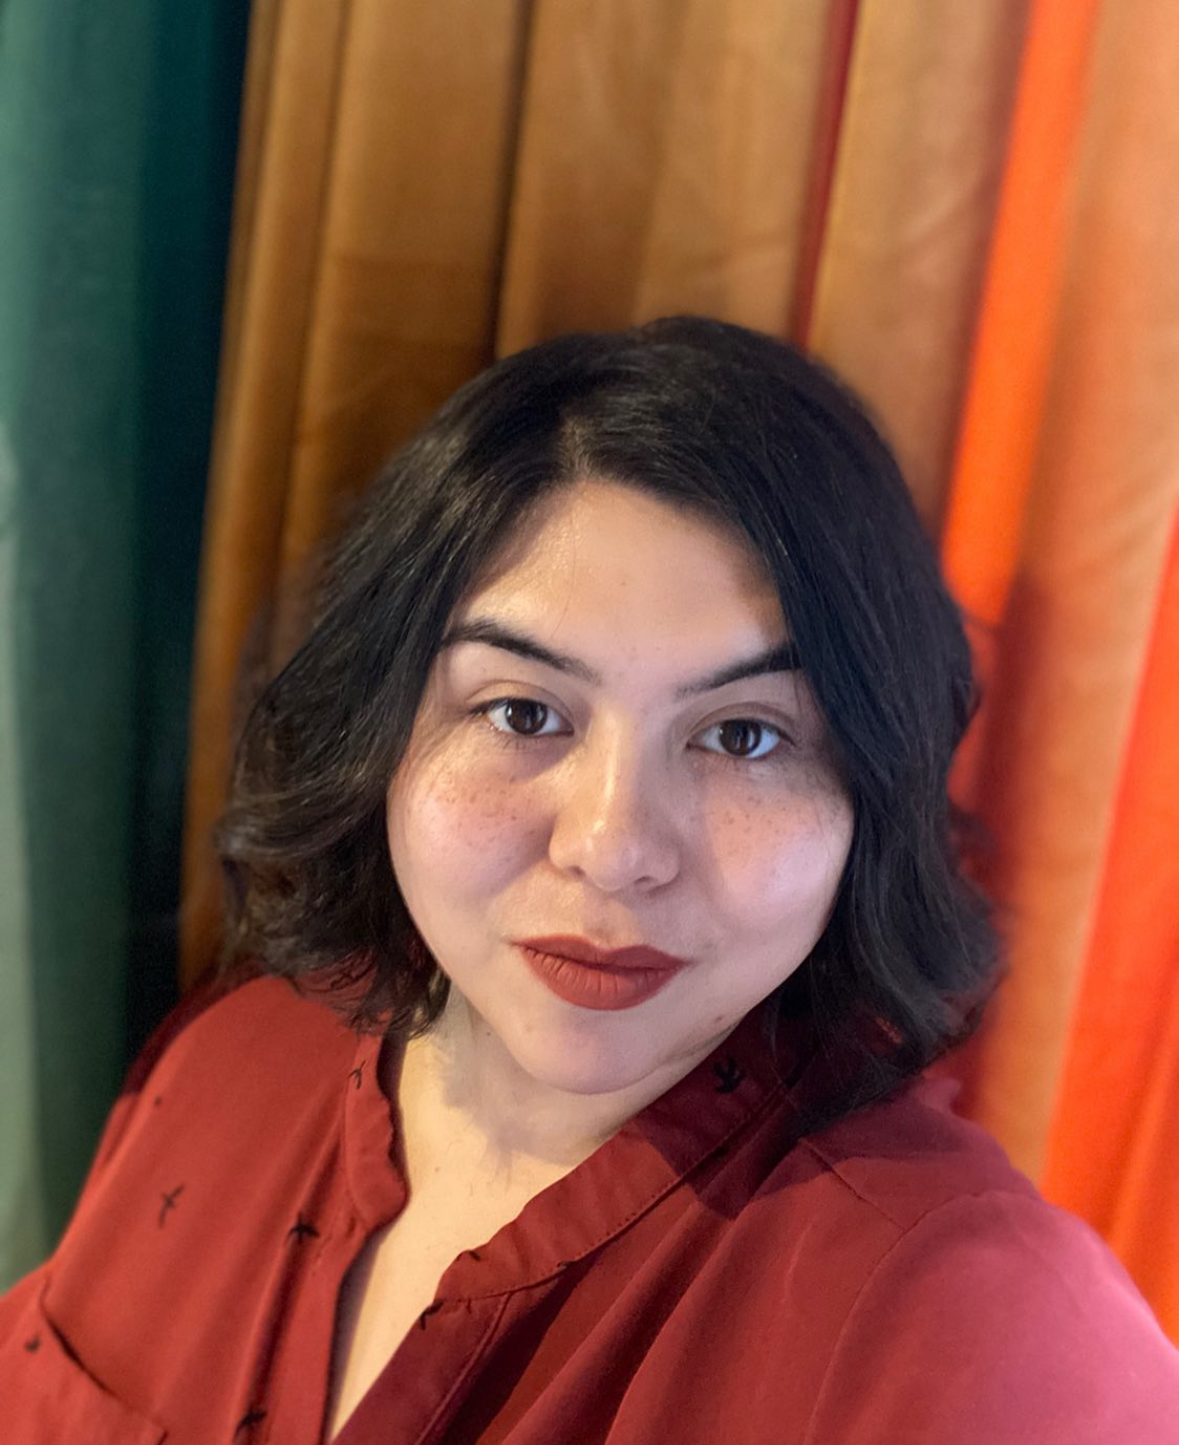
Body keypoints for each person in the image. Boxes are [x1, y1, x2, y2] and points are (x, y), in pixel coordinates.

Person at [2, 317, 1177, 1444]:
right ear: (381, 732)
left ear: (873, 790)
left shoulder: (989, 1342)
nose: (613, 845)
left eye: (745, 735)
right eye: (523, 712)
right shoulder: (229, 1059)